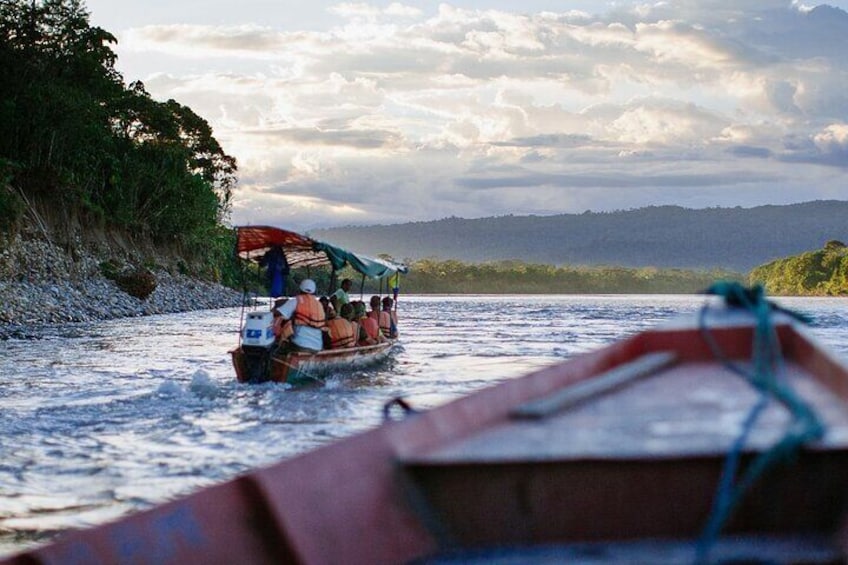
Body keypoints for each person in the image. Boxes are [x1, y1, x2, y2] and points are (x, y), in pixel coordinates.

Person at [274, 279, 326, 352]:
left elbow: (278, 313)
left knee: (281, 346)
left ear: (300, 289)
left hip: (300, 345)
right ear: (314, 291)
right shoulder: (319, 304)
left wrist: (272, 311)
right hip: (318, 347)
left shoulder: (296, 301)